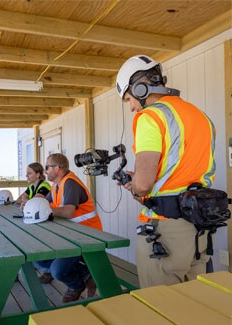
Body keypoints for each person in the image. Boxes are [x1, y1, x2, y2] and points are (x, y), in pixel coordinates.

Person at [115, 54, 216, 288]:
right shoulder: (202, 117)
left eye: (129, 98)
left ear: (139, 88)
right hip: (200, 230)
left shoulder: (149, 117)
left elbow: (143, 186)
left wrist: (134, 185)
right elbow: (181, 168)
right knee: (196, 305)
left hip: (166, 233)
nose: (131, 107)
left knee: (160, 312)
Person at [35, 153, 102, 302]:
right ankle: (86, 274)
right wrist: (31, 205)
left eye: (47, 167)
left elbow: (68, 211)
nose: (45, 170)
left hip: (87, 236)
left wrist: (45, 210)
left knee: (57, 271)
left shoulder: (70, 183)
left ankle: (76, 285)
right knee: (37, 256)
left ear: (57, 168)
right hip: (69, 234)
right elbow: (43, 203)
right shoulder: (56, 185)